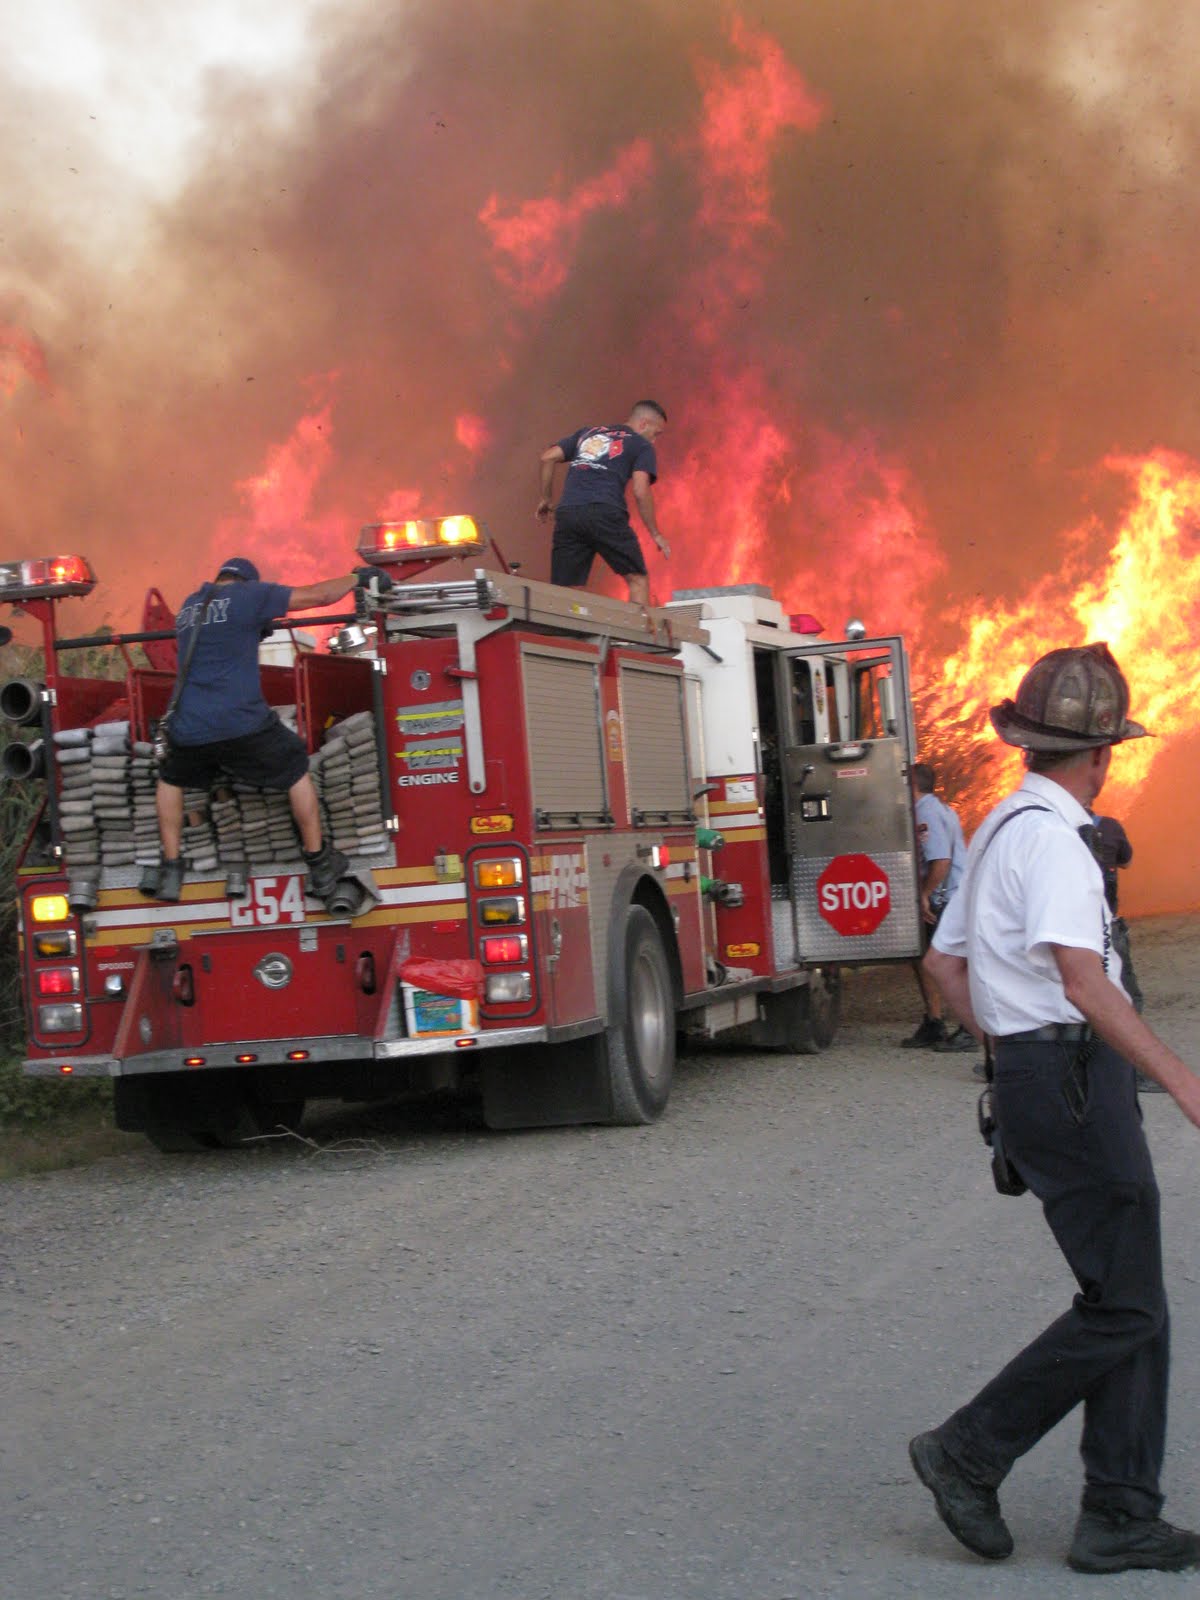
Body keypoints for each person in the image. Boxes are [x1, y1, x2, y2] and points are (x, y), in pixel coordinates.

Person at [909, 642, 1200, 1576]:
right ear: (1103, 752)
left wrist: (1008, 1055)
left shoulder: (997, 826)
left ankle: (1120, 1512)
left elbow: (943, 966)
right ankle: (970, 1448)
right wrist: (1183, 1080)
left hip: (1041, 1083)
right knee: (1126, 1308)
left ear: (1028, 742)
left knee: (1131, 1300)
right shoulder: (1063, 840)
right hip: (1075, 1083)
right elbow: (1082, 978)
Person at [149, 556, 376, 903]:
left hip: (189, 724)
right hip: (241, 722)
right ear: (247, 582)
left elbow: (220, 639)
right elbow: (317, 596)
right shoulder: (250, 595)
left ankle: (171, 867)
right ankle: (319, 861)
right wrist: (357, 578)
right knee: (295, 765)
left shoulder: (190, 606)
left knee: (170, 776)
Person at [537, 400, 671, 606]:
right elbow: (640, 490)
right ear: (644, 424)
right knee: (637, 579)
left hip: (568, 513)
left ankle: (569, 637)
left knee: (566, 591)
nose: (654, 441)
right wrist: (655, 533)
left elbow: (547, 458)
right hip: (605, 512)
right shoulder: (641, 445)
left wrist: (546, 499)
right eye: (656, 433)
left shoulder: (587, 433)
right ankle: (635, 638)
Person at [901, 763, 970, 1050]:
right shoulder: (940, 808)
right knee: (924, 958)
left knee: (947, 963)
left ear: (913, 785)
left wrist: (925, 895)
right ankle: (934, 1022)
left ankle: (969, 1028)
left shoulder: (927, 812)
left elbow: (940, 860)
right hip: (950, 897)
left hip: (946, 899)